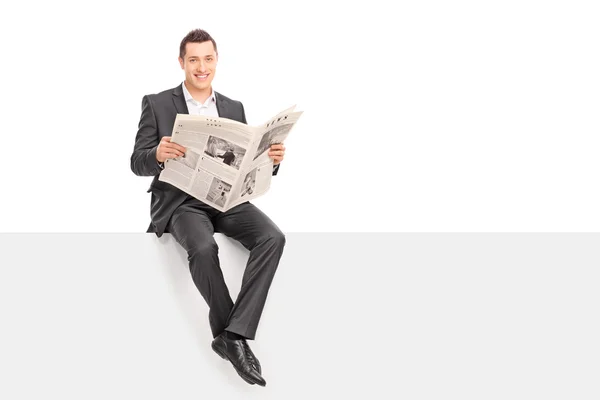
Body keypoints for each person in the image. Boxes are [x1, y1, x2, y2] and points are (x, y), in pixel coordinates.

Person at [130, 28, 287, 387]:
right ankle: (228, 332)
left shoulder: (233, 107)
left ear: (216, 61)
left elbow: (245, 161)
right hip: (181, 203)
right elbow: (137, 161)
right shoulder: (156, 103)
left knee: (272, 238)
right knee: (202, 247)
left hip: (226, 200)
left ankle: (233, 336)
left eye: (208, 58)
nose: (202, 67)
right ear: (182, 63)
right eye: (194, 59)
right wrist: (156, 155)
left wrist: (271, 160)